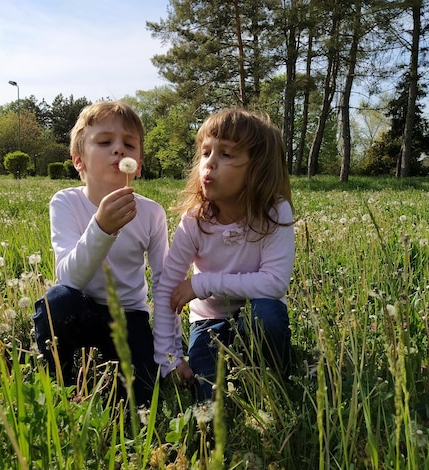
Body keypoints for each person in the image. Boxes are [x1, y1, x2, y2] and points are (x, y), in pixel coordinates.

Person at [153, 108, 295, 402]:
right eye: (206, 152)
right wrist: (170, 357)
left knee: (266, 314)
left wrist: (201, 284)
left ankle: (267, 375)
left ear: (258, 169)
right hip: (208, 325)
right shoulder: (195, 220)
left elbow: (273, 285)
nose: (210, 164)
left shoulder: (274, 213)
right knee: (207, 397)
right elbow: (169, 287)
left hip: (258, 318)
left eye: (226, 154)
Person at [32, 101, 167, 406]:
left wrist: (167, 350)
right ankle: (61, 386)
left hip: (129, 316)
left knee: (139, 399)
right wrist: (102, 228)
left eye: (128, 144)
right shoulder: (65, 203)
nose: (119, 149)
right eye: (105, 142)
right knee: (57, 301)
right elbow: (67, 278)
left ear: (139, 164)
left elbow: (163, 283)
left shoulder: (151, 213)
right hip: (81, 308)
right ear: (79, 161)